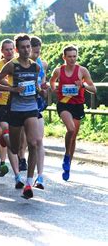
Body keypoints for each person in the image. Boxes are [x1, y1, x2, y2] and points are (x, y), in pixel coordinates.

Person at [0, 34, 46, 199]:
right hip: (15, 109)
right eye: (23, 47)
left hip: (31, 108)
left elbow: (35, 87)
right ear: (17, 49)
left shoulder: (35, 67)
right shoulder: (11, 66)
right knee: (15, 148)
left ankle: (28, 183)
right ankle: (4, 137)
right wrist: (13, 90)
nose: (26, 50)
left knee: (34, 143)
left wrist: (42, 90)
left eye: (28, 46)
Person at [49, 45, 96, 181]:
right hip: (64, 104)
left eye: (74, 56)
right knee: (70, 128)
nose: (72, 59)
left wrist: (82, 85)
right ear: (64, 57)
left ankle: (68, 160)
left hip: (77, 105)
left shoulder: (82, 71)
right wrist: (53, 90)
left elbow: (93, 89)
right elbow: (52, 81)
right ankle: (67, 155)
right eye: (69, 56)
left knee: (73, 136)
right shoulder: (58, 70)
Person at [0, 39, 24, 187]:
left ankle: (2, 141)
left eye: (11, 49)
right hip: (2, 106)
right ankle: (17, 176)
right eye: (6, 49)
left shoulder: (21, 64)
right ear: (2, 51)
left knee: (17, 139)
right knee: (6, 133)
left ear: (14, 50)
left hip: (17, 106)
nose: (9, 52)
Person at [30, 36, 49, 188]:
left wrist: (44, 89)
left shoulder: (42, 64)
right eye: (33, 52)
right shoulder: (15, 65)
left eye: (38, 52)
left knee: (38, 140)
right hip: (20, 105)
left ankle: (40, 176)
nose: (36, 55)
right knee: (23, 143)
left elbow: (43, 84)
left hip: (36, 104)